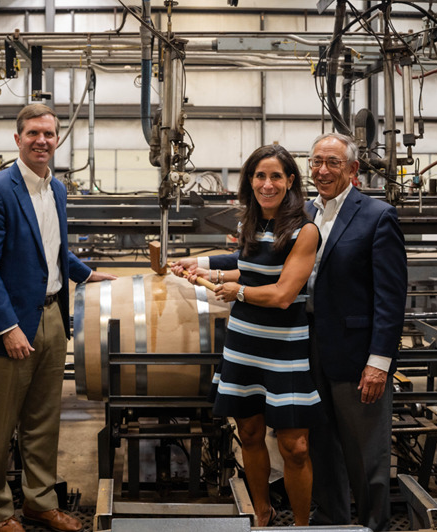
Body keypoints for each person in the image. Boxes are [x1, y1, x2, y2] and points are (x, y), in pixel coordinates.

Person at [174, 133, 407, 531]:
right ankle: (328, 521)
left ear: (352, 169)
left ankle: (374, 526)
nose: (323, 170)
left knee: (367, 455)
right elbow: (254, 259)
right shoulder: (300, 213)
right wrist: (203, 264)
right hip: (303, 345)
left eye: (333, 163)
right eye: (317, 161)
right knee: (320, 448)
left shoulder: (376, 216)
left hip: (353, 353)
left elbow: (391, 297)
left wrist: (379, 362)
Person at [0, 103, 116, 532]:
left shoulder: (57, 189)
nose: (42, 141)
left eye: (49, 134)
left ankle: (39, 501)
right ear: (18, 139)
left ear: (57, 139)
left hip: (52, 316)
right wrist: (7, 326)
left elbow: (51, 250)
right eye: (33, 133)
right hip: (9, 327)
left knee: (43, 419)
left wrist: (86, 273)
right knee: (0, 424)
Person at [178, 145, 321, 527]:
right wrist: (209, 274)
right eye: (260, 176)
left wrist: (233, 291)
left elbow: (283, 294)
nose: (267, 183)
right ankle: (262, 511)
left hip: (285, 348)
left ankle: (302, 525)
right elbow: (252, 273)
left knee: (295, 446)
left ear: (291, 181)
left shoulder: (305, 231)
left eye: (276, 176)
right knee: (251, 433)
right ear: (250, 181)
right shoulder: (250, 224)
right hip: (244, 345)